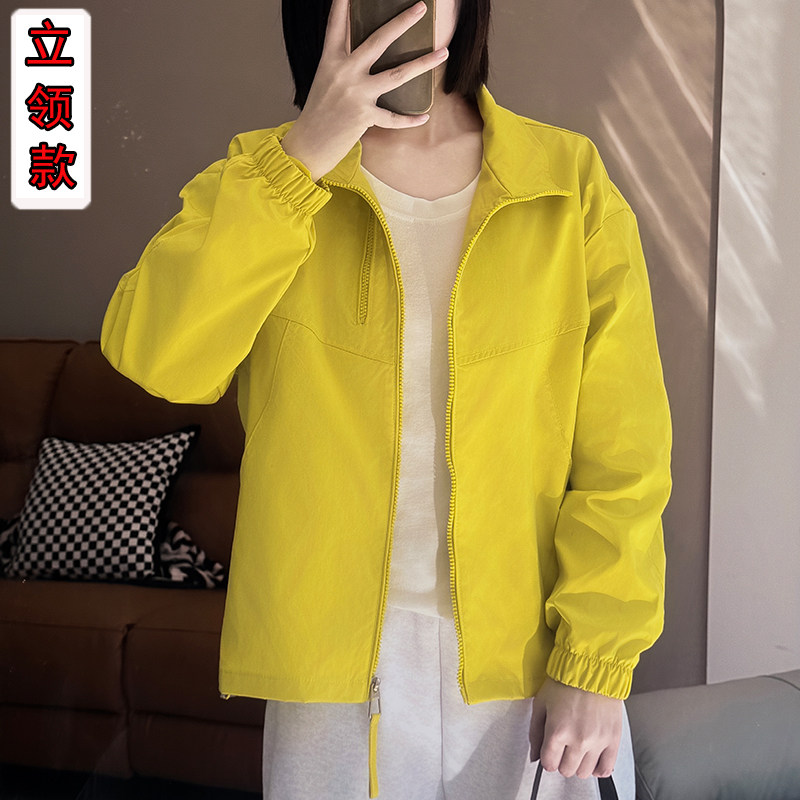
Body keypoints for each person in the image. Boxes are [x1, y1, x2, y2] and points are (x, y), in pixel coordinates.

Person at [99, 0, 672, 798]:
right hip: (329, 670)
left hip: (530, 663)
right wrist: (303, 156)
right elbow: (160, 358)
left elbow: (624, 452)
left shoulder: (567, 182)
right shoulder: (266, 175)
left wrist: (594, 661)